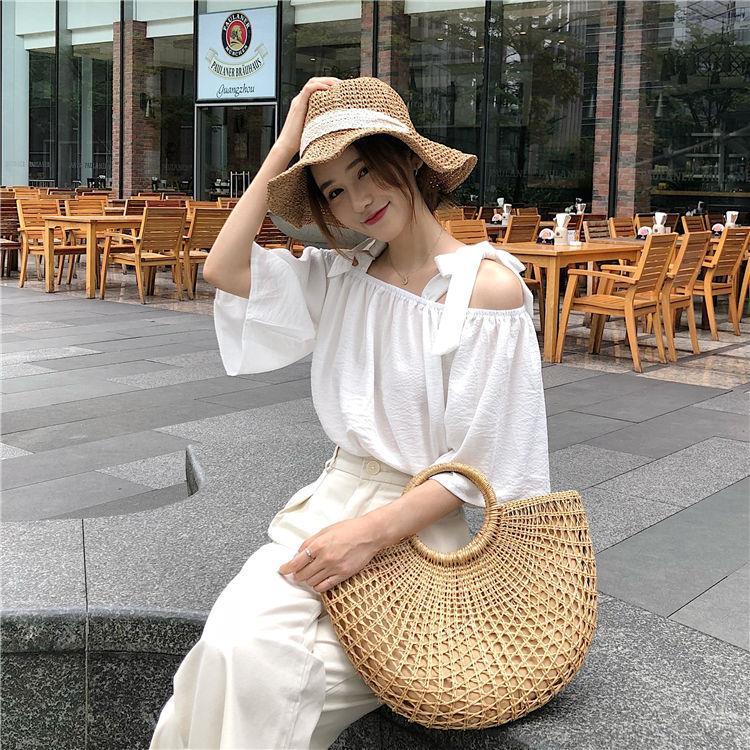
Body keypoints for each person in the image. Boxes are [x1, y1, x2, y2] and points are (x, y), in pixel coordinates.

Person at [149, 76, 550, 750]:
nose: (358, 200)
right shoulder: (344, 274)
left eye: (365, 170)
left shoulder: (485, 290)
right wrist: (286, 144)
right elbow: (223, 268)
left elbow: (483, 465)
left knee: (269, 671)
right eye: (333, 189)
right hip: (327, 507)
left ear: (411, 161)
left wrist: (367, 536)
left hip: (418, 532)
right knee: (227, 642)